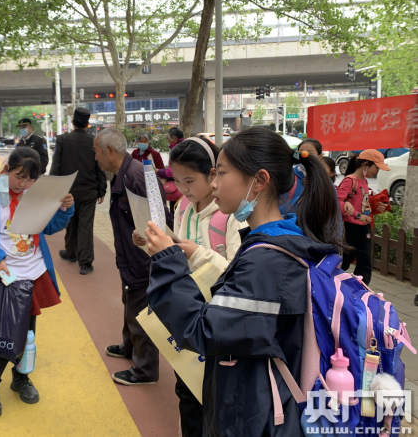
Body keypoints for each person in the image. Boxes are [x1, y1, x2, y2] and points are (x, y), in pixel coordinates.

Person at [145, 127, 345, 437]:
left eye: (221, 173)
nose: (213, 183)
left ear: (260, 181)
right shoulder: (283, 240)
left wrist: (167, 262)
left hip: (256, 415)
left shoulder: (267, 261)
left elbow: (202, 330)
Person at [133, 136, 245, 437]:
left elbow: (239, 274)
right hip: (188, 312)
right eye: (177, 181)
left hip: (218, 319)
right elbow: (176, 253)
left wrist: (196, 254)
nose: (182, 189)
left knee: (214, 396)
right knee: (186, 390)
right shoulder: (183, 207)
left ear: (213, 175)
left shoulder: (232, 214)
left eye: (189, 180)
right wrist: (152, 247)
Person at [0, 147, 74, 416]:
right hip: (6, 275)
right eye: (18, 176)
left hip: (34, 272)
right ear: (7, 169)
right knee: (7, 334)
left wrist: (66, 209)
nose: (23, 184)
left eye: (30, 180)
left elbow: (48, 226)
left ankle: (19, 377)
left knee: (27, 334)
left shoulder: (33, 194)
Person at [93, 128, 172, 386]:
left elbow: (160, 219)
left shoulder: (135, 177)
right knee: (130, 301)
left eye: (96, 152)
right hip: (131, 256)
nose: (95, 158)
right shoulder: (126, 174)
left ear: (109, 151)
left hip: (142, 258)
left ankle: (145, 369)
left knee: (141, 310)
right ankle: (129, 347)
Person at [50, 107, 107, 275]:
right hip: (89, 191)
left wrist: (53, 189)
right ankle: (86, 263)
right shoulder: (94, 142)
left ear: (73, 122)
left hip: (67, 191)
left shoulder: (63, 140)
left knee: (70, 222)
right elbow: (100, 166)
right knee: (86, 225)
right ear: (87, 124)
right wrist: (101, 189)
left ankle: (71, 252)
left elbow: (56, 166)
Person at [338, 150, 389, 285]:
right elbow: (338, 202)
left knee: (365, 261)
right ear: (366, 164)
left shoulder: (364, 182)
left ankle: (363, 289)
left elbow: (360, 203)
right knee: (344, 260)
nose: (377, 172)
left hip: (364, 229)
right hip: (349, 228)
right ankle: (335, 285)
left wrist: (375, 207)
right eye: (376, 167)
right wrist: (357, 215)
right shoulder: (349, 180)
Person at [279, 138, 324, 216]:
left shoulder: (324, 180)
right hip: (289, 226)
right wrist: (298, 202)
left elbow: (334, 212)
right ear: (296, 155)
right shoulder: (287, 176)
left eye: (310, 154)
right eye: (301, 153)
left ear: (319, 157)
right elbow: (276, 209)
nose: (304, 156)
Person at [158, 127, 186, 214]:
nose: (168, 142)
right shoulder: (186, 146)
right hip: (186, 186)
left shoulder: (177, 150)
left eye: (168, 139)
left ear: (174, 138)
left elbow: (172, 172)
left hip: (179, 187)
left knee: (176, 212)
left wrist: (158, 171)